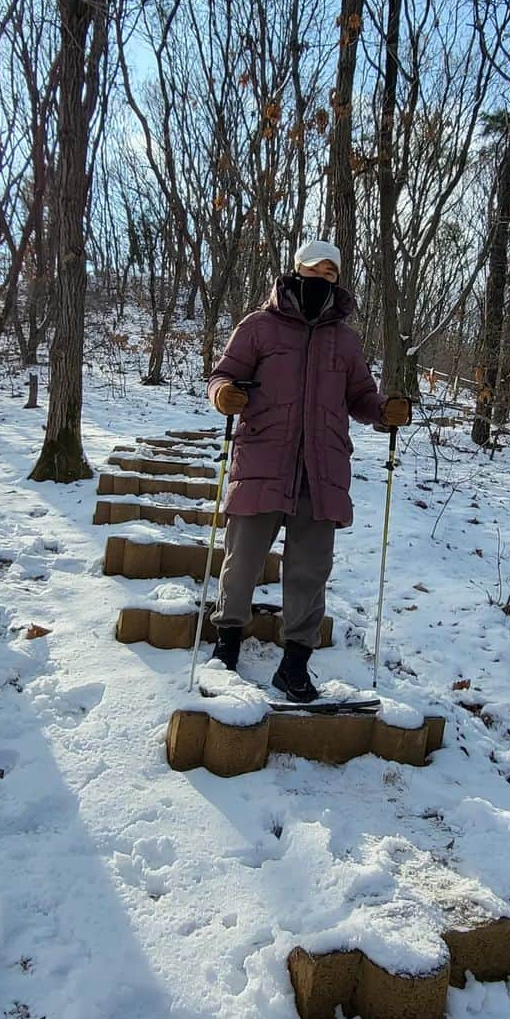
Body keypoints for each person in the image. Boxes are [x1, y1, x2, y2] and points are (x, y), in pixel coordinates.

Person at [206, 239, 411, 701]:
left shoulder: (345, 340)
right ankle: (226, 645)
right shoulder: (258, 326)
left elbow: (361, 397)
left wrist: (384, 410)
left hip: (322, 471)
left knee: (310, 570)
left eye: (331, 273)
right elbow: (222, 374)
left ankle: (294, 664)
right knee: (242, 562)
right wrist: (223, 394)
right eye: (314, 270)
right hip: (262, 460)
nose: (322, 279)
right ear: (296, 269)